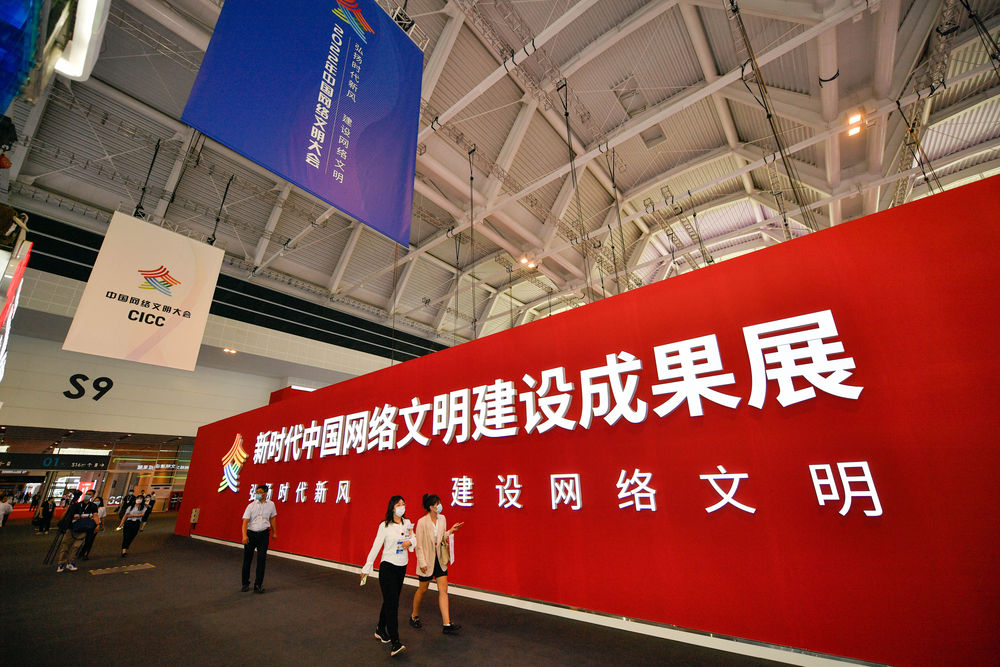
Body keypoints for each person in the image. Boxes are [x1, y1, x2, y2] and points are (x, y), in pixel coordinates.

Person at [361, 496, 413, 657]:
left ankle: (380, 629)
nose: (402, 507)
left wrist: (410, 543)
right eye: (398, 504)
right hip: (387, 567)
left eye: (403, 504)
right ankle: (395, 642)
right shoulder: (384, 525)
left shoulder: (407, 523)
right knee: (393, 604)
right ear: (392, 508)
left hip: (401, 566)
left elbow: (414, 538)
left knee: (390, 600)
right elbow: (376, 546)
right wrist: (367, 567)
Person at [410, 493, 464, 634]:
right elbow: (419, 545)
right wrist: (422, 562)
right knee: (423, 589)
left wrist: (451, 531)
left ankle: (446, 623)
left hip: (439, 559)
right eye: (437, 504)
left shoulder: (443, 518)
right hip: (427, 561)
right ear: (431, 507)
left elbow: (441, 538)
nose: (439, 506)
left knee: (443, 590)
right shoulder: (422, 522)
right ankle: (414, 615)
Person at [241, 484, 277, 594]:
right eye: (257, 492)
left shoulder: (271, 505)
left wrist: (275, 532)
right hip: (251, 534)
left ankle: (258, 585)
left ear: (266, 493)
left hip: (263, 535)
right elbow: (245, 522)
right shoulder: (251, 506)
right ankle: (245, 584)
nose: (258, 494)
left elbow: (273, 518)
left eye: (260, 492)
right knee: (247, 560)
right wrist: (244, 535)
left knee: (261, 560)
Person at [55, 490, 100, 572]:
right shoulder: (76, 505)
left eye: (90, 494)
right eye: (87, 494)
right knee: (65, 545)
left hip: (83, 528)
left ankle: (71, 562)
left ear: (92, 496)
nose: (87, 495)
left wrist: (97, 524)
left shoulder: (93, 506)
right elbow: (67, 514)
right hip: (72, 528)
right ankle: (61, 563)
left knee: (76, 547)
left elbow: (95, 515)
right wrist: (62, 522)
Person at [77, 495, 106, 560]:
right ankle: (80, 552)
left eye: (98, 501)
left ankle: (85, 554)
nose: (96, 501)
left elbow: (103, 517)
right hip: (87, 523)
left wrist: (102, 525)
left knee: (90, 540)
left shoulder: (102, 508)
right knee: (82, 538)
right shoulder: (90, 506)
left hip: (95, 524)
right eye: (95, 500)